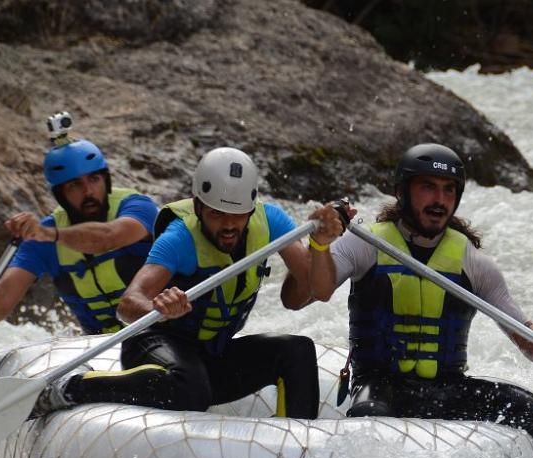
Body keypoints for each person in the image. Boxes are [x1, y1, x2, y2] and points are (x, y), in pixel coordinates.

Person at [307, 143, 533, 458]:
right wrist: (320, 244)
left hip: (448, 389)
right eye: (428, 187)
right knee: (370, 422)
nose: (439, 200)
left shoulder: (471, 261)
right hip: (382, 386)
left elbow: (523, 333)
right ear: (402, 192)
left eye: (449, 190)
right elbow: (314, 290)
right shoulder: (365, 243)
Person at [32, 146, 345, 418]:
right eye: (217, 214)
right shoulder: (180, 237)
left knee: (298, 351)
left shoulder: (271, 220)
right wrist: (158, 306)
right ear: (198, 207)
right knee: (191, 389)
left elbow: (320, 289)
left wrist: (320, 244)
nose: (228, 226)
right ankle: (75, 388)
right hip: (156, 347)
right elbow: (128, 304)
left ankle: (299, 454)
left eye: (238, 216)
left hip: (212, 357)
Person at [0, 113, 158, 346]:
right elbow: (5, 292)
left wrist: (51, 235)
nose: (88, 192)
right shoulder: (43, 235)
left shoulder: (137, 207)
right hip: (98, 348)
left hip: (159, 329)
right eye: (75, 185)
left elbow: (109, 238)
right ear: (60, 195)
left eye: (94, 179)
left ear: (105, 180)